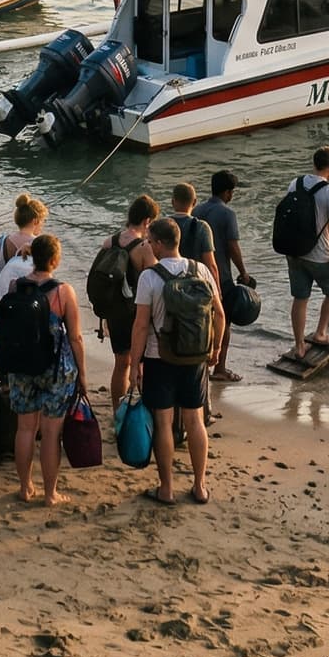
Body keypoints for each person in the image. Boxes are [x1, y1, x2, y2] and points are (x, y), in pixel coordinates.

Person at [131, 217, 225, 506]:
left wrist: (135, 364)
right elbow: (219, 314)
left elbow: (141, 326)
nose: (147, 245)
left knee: (163, 422)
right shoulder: (202, 270)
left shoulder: (150, 277)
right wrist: (216, 348)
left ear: (159, 244)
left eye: (149, 241)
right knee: (195, 419)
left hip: (160, 358)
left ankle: (167, 489)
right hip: (195, 356)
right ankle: (199, 486)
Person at [4, 233, 86, 506]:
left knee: (25, 428)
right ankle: (50, 493)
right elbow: (75, 337)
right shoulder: (63, 292)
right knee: (52, 433)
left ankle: (25, 487)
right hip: (55, 369)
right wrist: (82, 374)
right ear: (54, 260)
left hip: (22, 365)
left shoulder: (16, 286)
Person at [95, 196, 157, 413]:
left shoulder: (110, 241)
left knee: (121, 364)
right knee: (141, 363)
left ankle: (117, 411)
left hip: (114, 312)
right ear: (147, 221)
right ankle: (144, 409)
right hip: (136, 312)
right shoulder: (143, 247)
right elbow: (158, 278)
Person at [285, 148, 329, 361]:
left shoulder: (295, 183)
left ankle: (300, 346)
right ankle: (321, 332)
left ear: (314, 163)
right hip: (319, 254)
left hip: (294, 252)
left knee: (300, 298)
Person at [194, 171, 253, 383]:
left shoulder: (197, 210)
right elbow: (233, 247)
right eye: (232, 192)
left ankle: (199, 364)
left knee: (201, 322)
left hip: (195, 275)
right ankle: (219, 368)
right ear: (227, 192)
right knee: (223, 322)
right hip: (220, 276)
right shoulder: (227, 214)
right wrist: (243, 273)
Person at [0, 192, 48, 300]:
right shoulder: (40, 244)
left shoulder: (1, 242)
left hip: (5, 299)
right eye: (43, 221)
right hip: (30, 301)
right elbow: (45, 278)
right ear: (35, 221)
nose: (43, 225)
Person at [168, 182, 219, 282]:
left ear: (172, 202)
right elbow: (211, 265)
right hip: (196, 285)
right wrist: (217, 291)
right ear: (194, 202)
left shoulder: (161, 225)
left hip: (168, 284)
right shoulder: (201, 227)